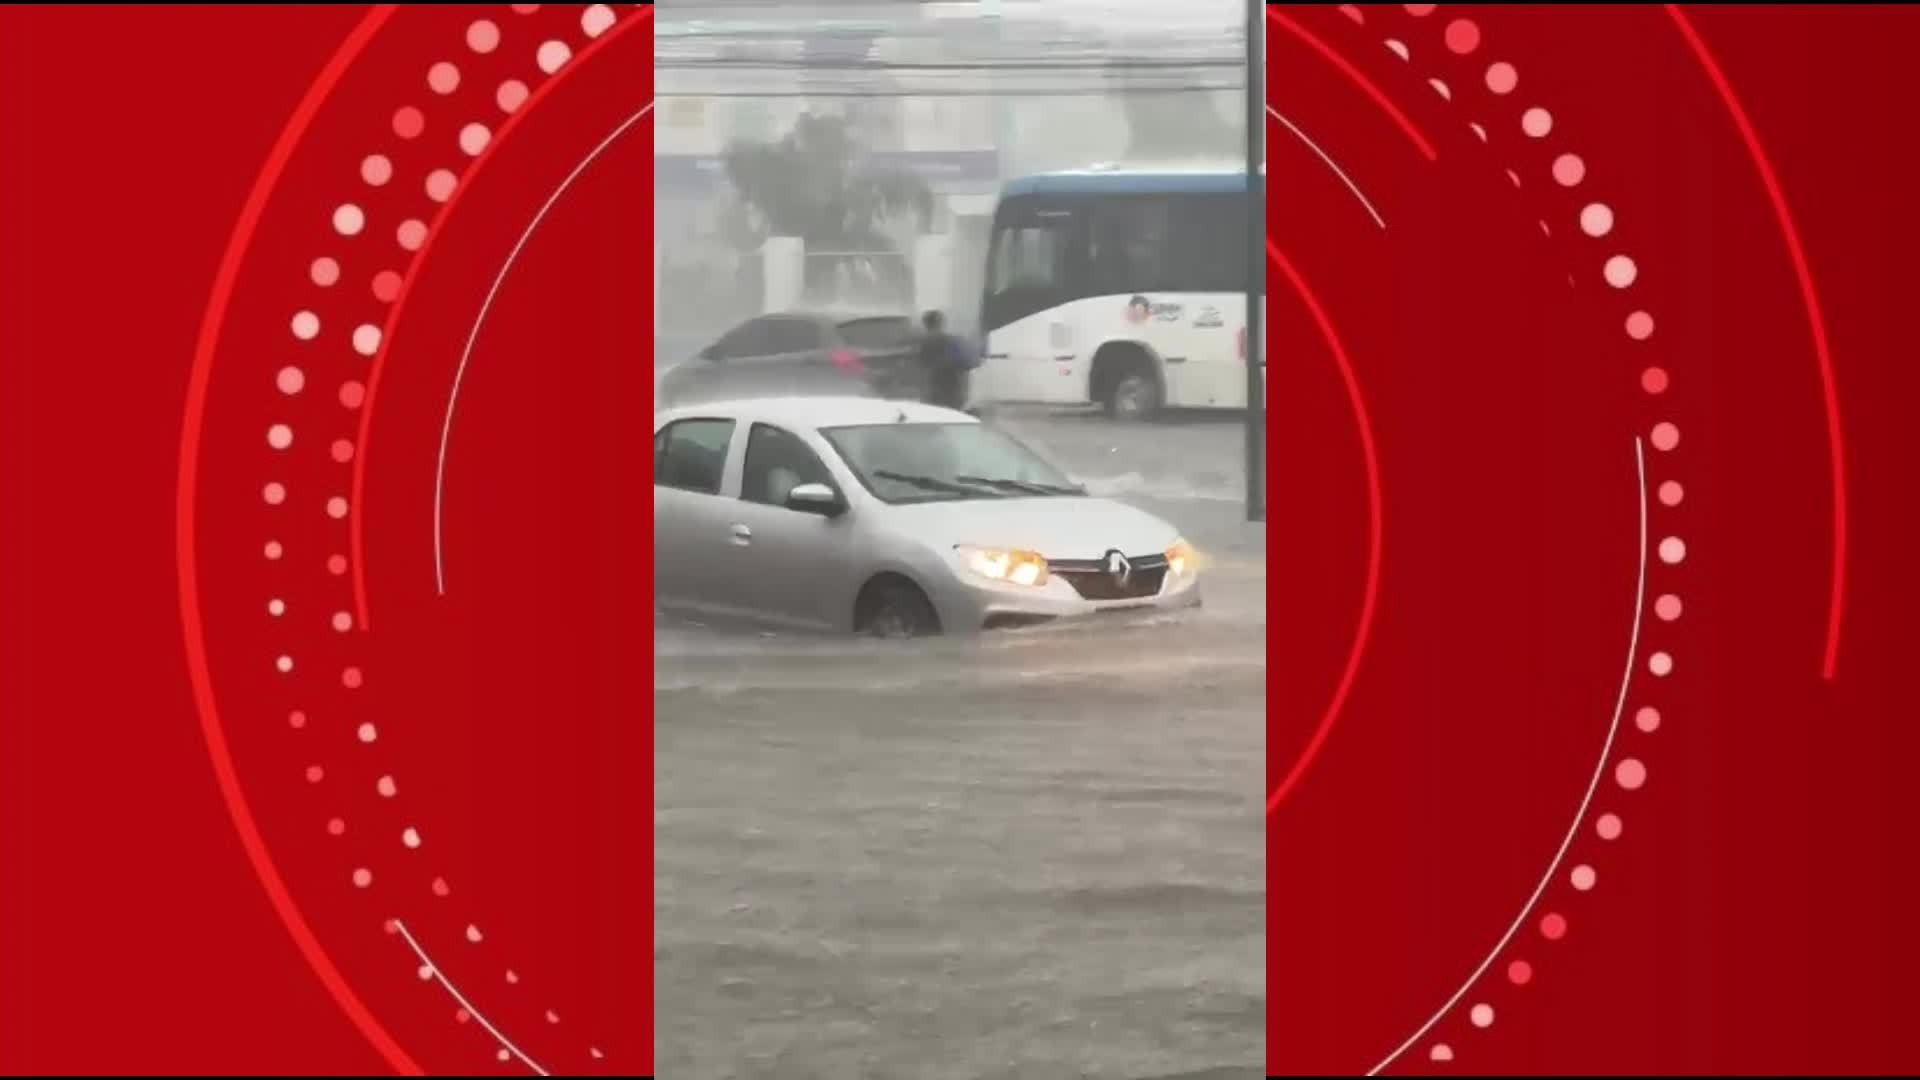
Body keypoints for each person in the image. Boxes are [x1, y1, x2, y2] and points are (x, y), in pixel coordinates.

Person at [916, 309, 976, 410]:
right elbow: (967, 364)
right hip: (952, 390)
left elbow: (920, 367)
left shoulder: (920, 343)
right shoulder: (953, 340)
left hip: (931, 392)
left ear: (925, 324)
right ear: (941, 323)